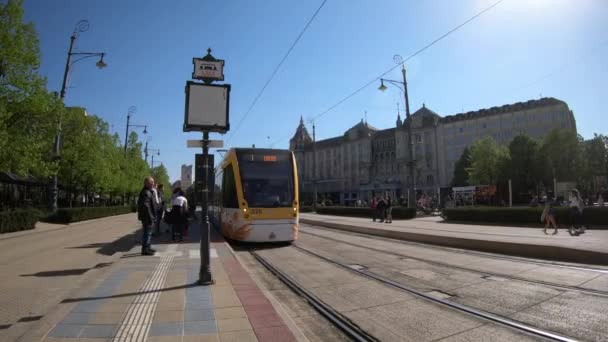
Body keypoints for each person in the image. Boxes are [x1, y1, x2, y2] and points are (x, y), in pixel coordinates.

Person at [137, 176, 157, 256]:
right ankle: (145, 250)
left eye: (153, 182)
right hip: (147, 217)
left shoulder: (148, 191)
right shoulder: (146, 192)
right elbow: (146, 206)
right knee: (147, 233)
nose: (153, 184)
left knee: (148, 233)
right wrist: (150, 217)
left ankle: (147, 247)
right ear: (146, 183)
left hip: (147, 216)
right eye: (151, 182)